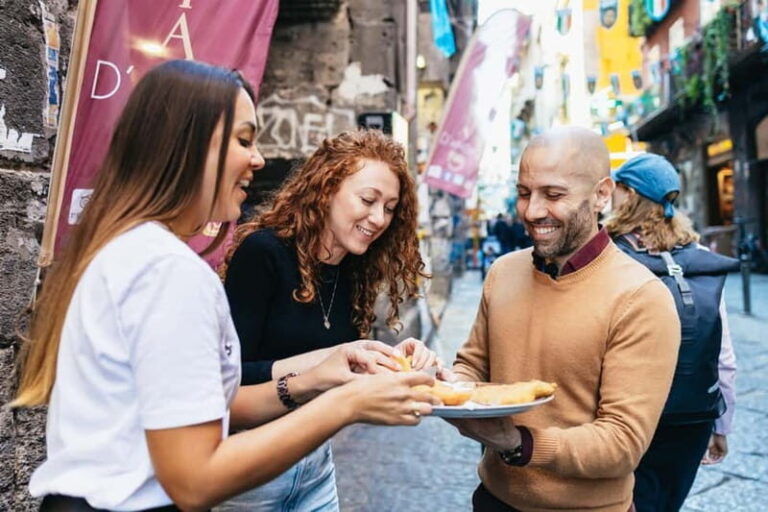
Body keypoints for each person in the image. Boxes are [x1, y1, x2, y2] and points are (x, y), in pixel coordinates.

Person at [11, 60, 437, 512]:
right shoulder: (168, 270)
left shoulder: (132, 252)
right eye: (243, 140)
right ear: (188, 146)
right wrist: (347, 403)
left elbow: (217, 405)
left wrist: (328, 370)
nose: (258, 159)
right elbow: (196, 480)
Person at [444, 127, 681, 511]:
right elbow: (472, 364)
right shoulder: (502, 272)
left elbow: (623, 444)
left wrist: (519, 443)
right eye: (524, 193)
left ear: (602, 194)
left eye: (553, 195)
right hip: (493, 499)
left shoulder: (641, 296)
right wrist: (448, 387)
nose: (532, 211)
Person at [217, 129, 438, 511]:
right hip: (249, 471)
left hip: (316, 467)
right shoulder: (264, 253)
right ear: (325, 189)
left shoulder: (356, 266)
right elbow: (230, 378)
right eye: (368, 200)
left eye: (389, 207)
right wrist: (337, 355)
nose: (379, 218)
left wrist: (392, 360)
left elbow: (340, 373)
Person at [606, 153, 739, 512]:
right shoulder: (697, 254)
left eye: (617, 188)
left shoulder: (608, 254)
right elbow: (722, 353)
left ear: (628, 193)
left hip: (631, 414)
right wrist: (721, 425)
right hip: (693, 416)